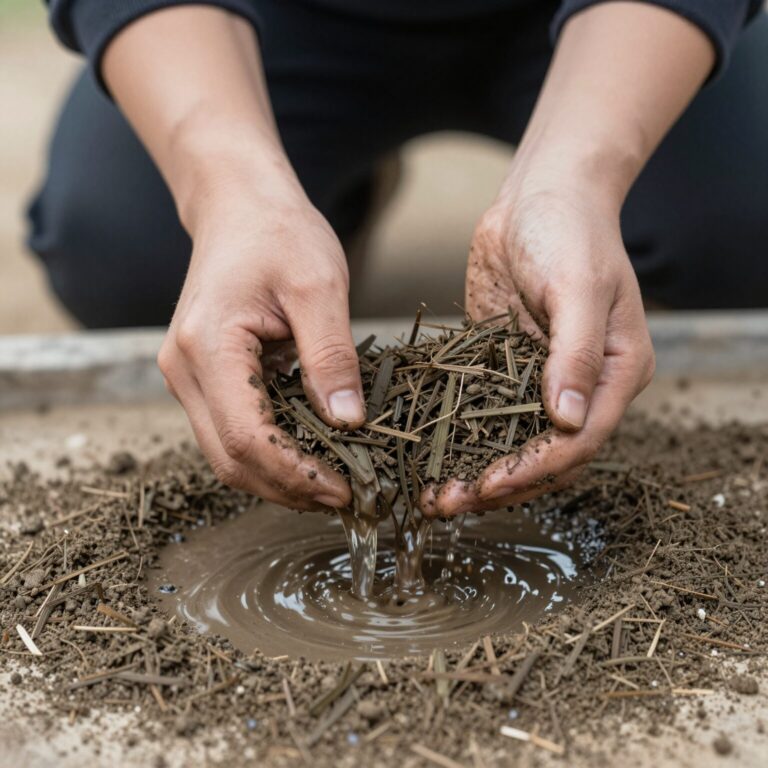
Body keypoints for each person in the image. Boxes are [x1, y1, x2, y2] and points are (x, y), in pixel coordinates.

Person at [32, 1, 766, 517]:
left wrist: (578, 176)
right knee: (125, 251)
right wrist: (231, 191)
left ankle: (563, 171)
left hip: (597, 21)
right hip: (276, 19)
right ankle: (322, 197)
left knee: (739, 231)